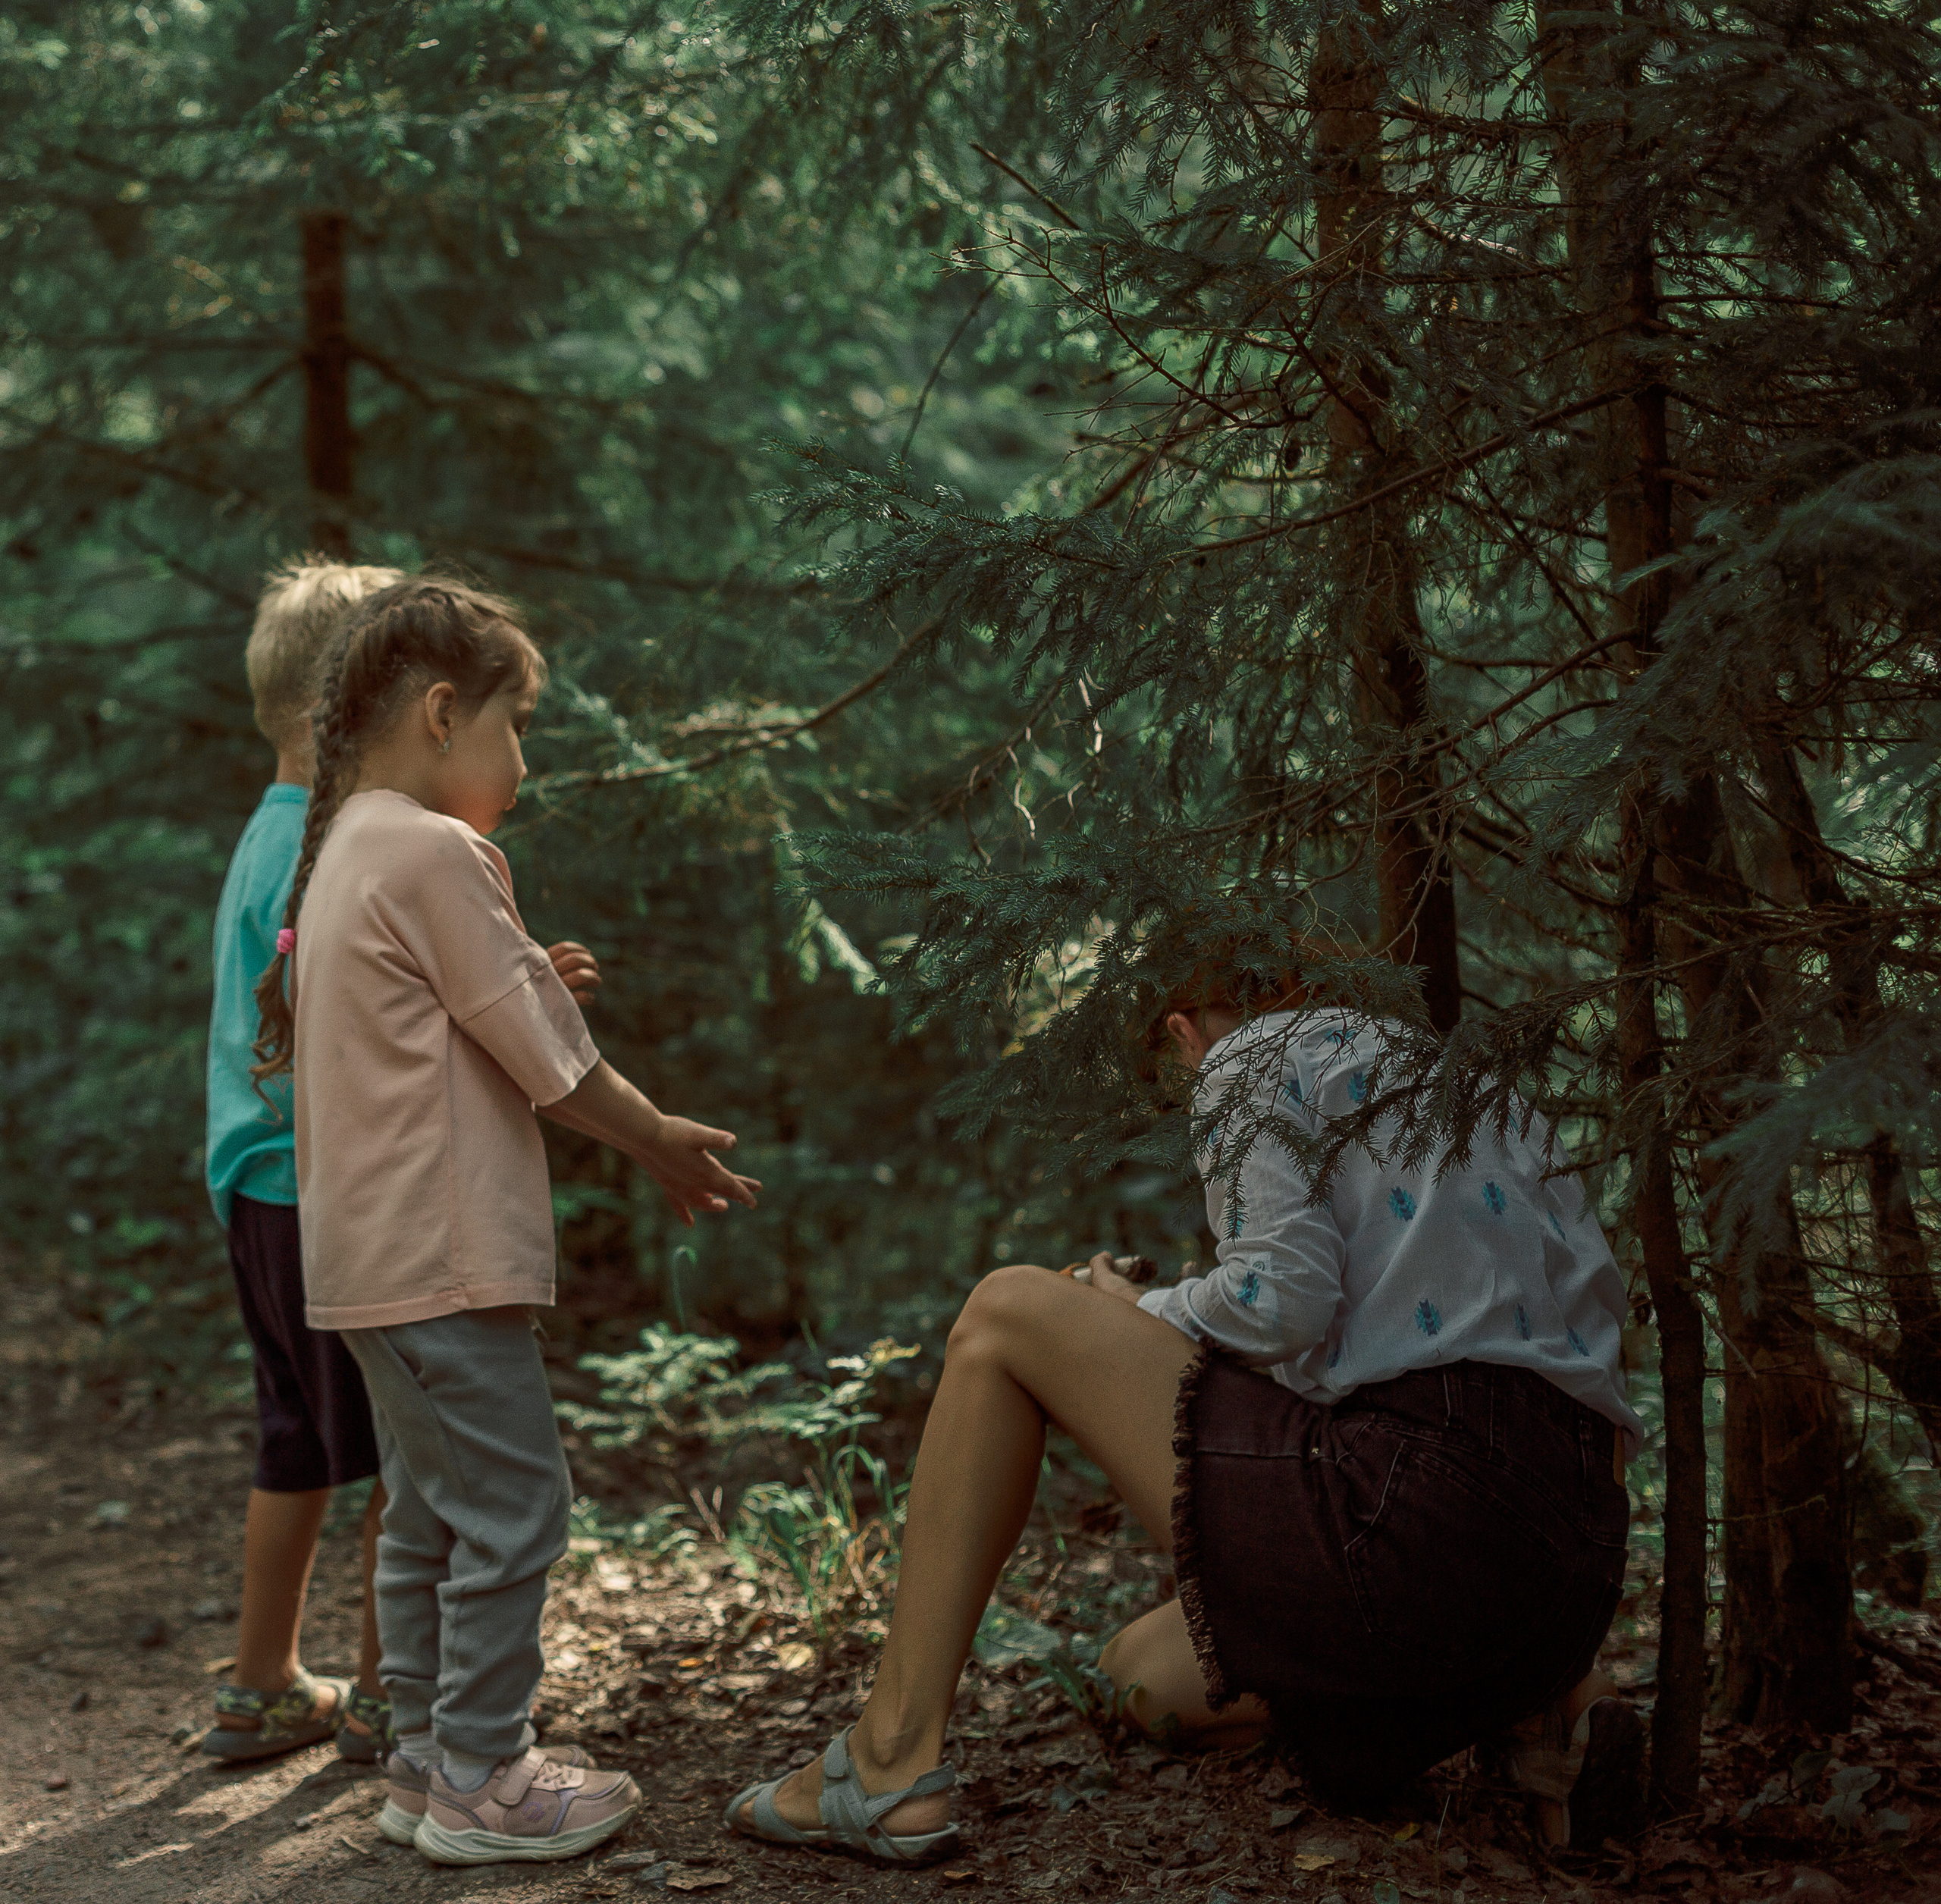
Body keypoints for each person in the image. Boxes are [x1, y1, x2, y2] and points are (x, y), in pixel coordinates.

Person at [725, 959, 1645, 1863]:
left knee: (1006, 1311)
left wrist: (1134, 1313)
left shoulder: (1250, 1052)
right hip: (1571, 1568)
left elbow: (1280, 1301)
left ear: (1181, 1034)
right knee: (1146, 1675)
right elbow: (1449, 1343)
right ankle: (1535, 1711)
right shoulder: (1474, 1085)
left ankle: (886, 1758)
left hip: (1418, 1518)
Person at [252, 575, 760, 1867]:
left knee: (431, 1509)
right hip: (444, 1265)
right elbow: (547, 1057)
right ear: (438, 713)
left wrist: (535, 970)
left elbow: (445, 1028)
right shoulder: (432, 849)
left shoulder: (351, 849)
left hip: (366, 1268)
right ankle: (486, 1773)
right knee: (521, 1507)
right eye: (512, 727)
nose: (521, 760)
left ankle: (426, 1755)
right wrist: (655, 1138)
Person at [202, 555, 401, 1764]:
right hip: (320, 1182)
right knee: (399, 1445)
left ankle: (262, 1678)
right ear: (358, 709)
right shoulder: (324, 853)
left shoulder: (262, 834)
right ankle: (387, 1691)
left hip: (254, 1187)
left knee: (295, 1435)